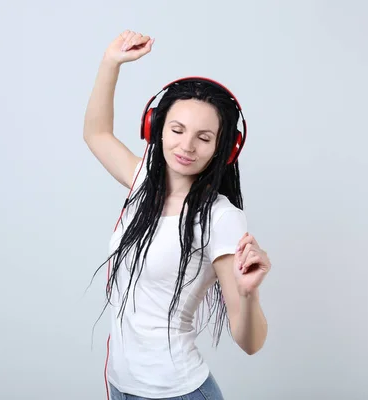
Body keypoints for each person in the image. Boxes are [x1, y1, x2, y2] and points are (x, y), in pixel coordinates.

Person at [83, 30, 272, 400]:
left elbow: (250, 343)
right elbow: (96, 133)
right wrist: (110, 63)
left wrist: (249, 296)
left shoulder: (220, 218)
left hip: (177, 393)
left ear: (224, 148)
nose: (186, 146)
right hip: (122, 387)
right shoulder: (143, 180)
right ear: (155, 128)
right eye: (177, 129)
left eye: (204, 137)